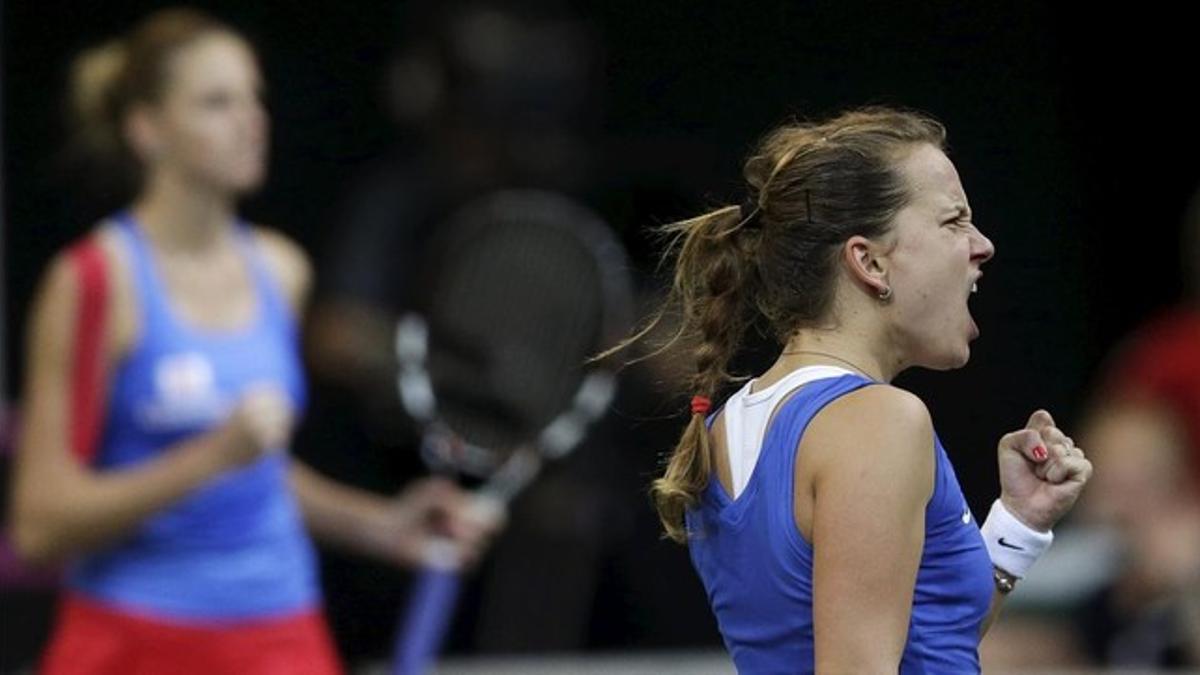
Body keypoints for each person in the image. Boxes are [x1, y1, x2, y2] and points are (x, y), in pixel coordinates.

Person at [6, 9, 494, 674]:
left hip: (281, 634)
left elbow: (261, 473)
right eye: (216, 101)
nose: (251, 119)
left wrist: (381, 523)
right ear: (147, 129)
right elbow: (40, 526)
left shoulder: (281, 270)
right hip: (135, 637)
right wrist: (205, 457)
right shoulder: (95, 281)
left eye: (254, 97)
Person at [599, 106, 1094, 672]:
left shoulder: (726, 424)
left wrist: (1017, 524)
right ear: (870, 262)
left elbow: (924, 641)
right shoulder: (879, 421)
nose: (982, 245)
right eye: (953, 221)